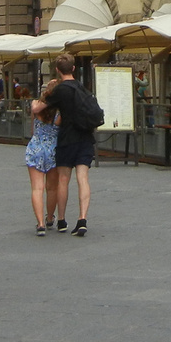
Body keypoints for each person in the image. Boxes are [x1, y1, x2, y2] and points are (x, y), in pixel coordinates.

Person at [48, 55, 95, 237]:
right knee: (83, 178)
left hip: (67, 139)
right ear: (74, 69)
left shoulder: (60, 90)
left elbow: (43, 107)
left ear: (58, 70)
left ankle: (61, 220)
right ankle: (82, 219)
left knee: (63, 179)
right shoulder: (83, 88)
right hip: (85, 138)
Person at [25, 86, 61, 235]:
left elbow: (33, 130)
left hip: (36, 146)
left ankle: (40, 224)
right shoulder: (60, 111)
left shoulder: (36, 106)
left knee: (36, 188)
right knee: (52, 187)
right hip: (53, 148)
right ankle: (50, 217)